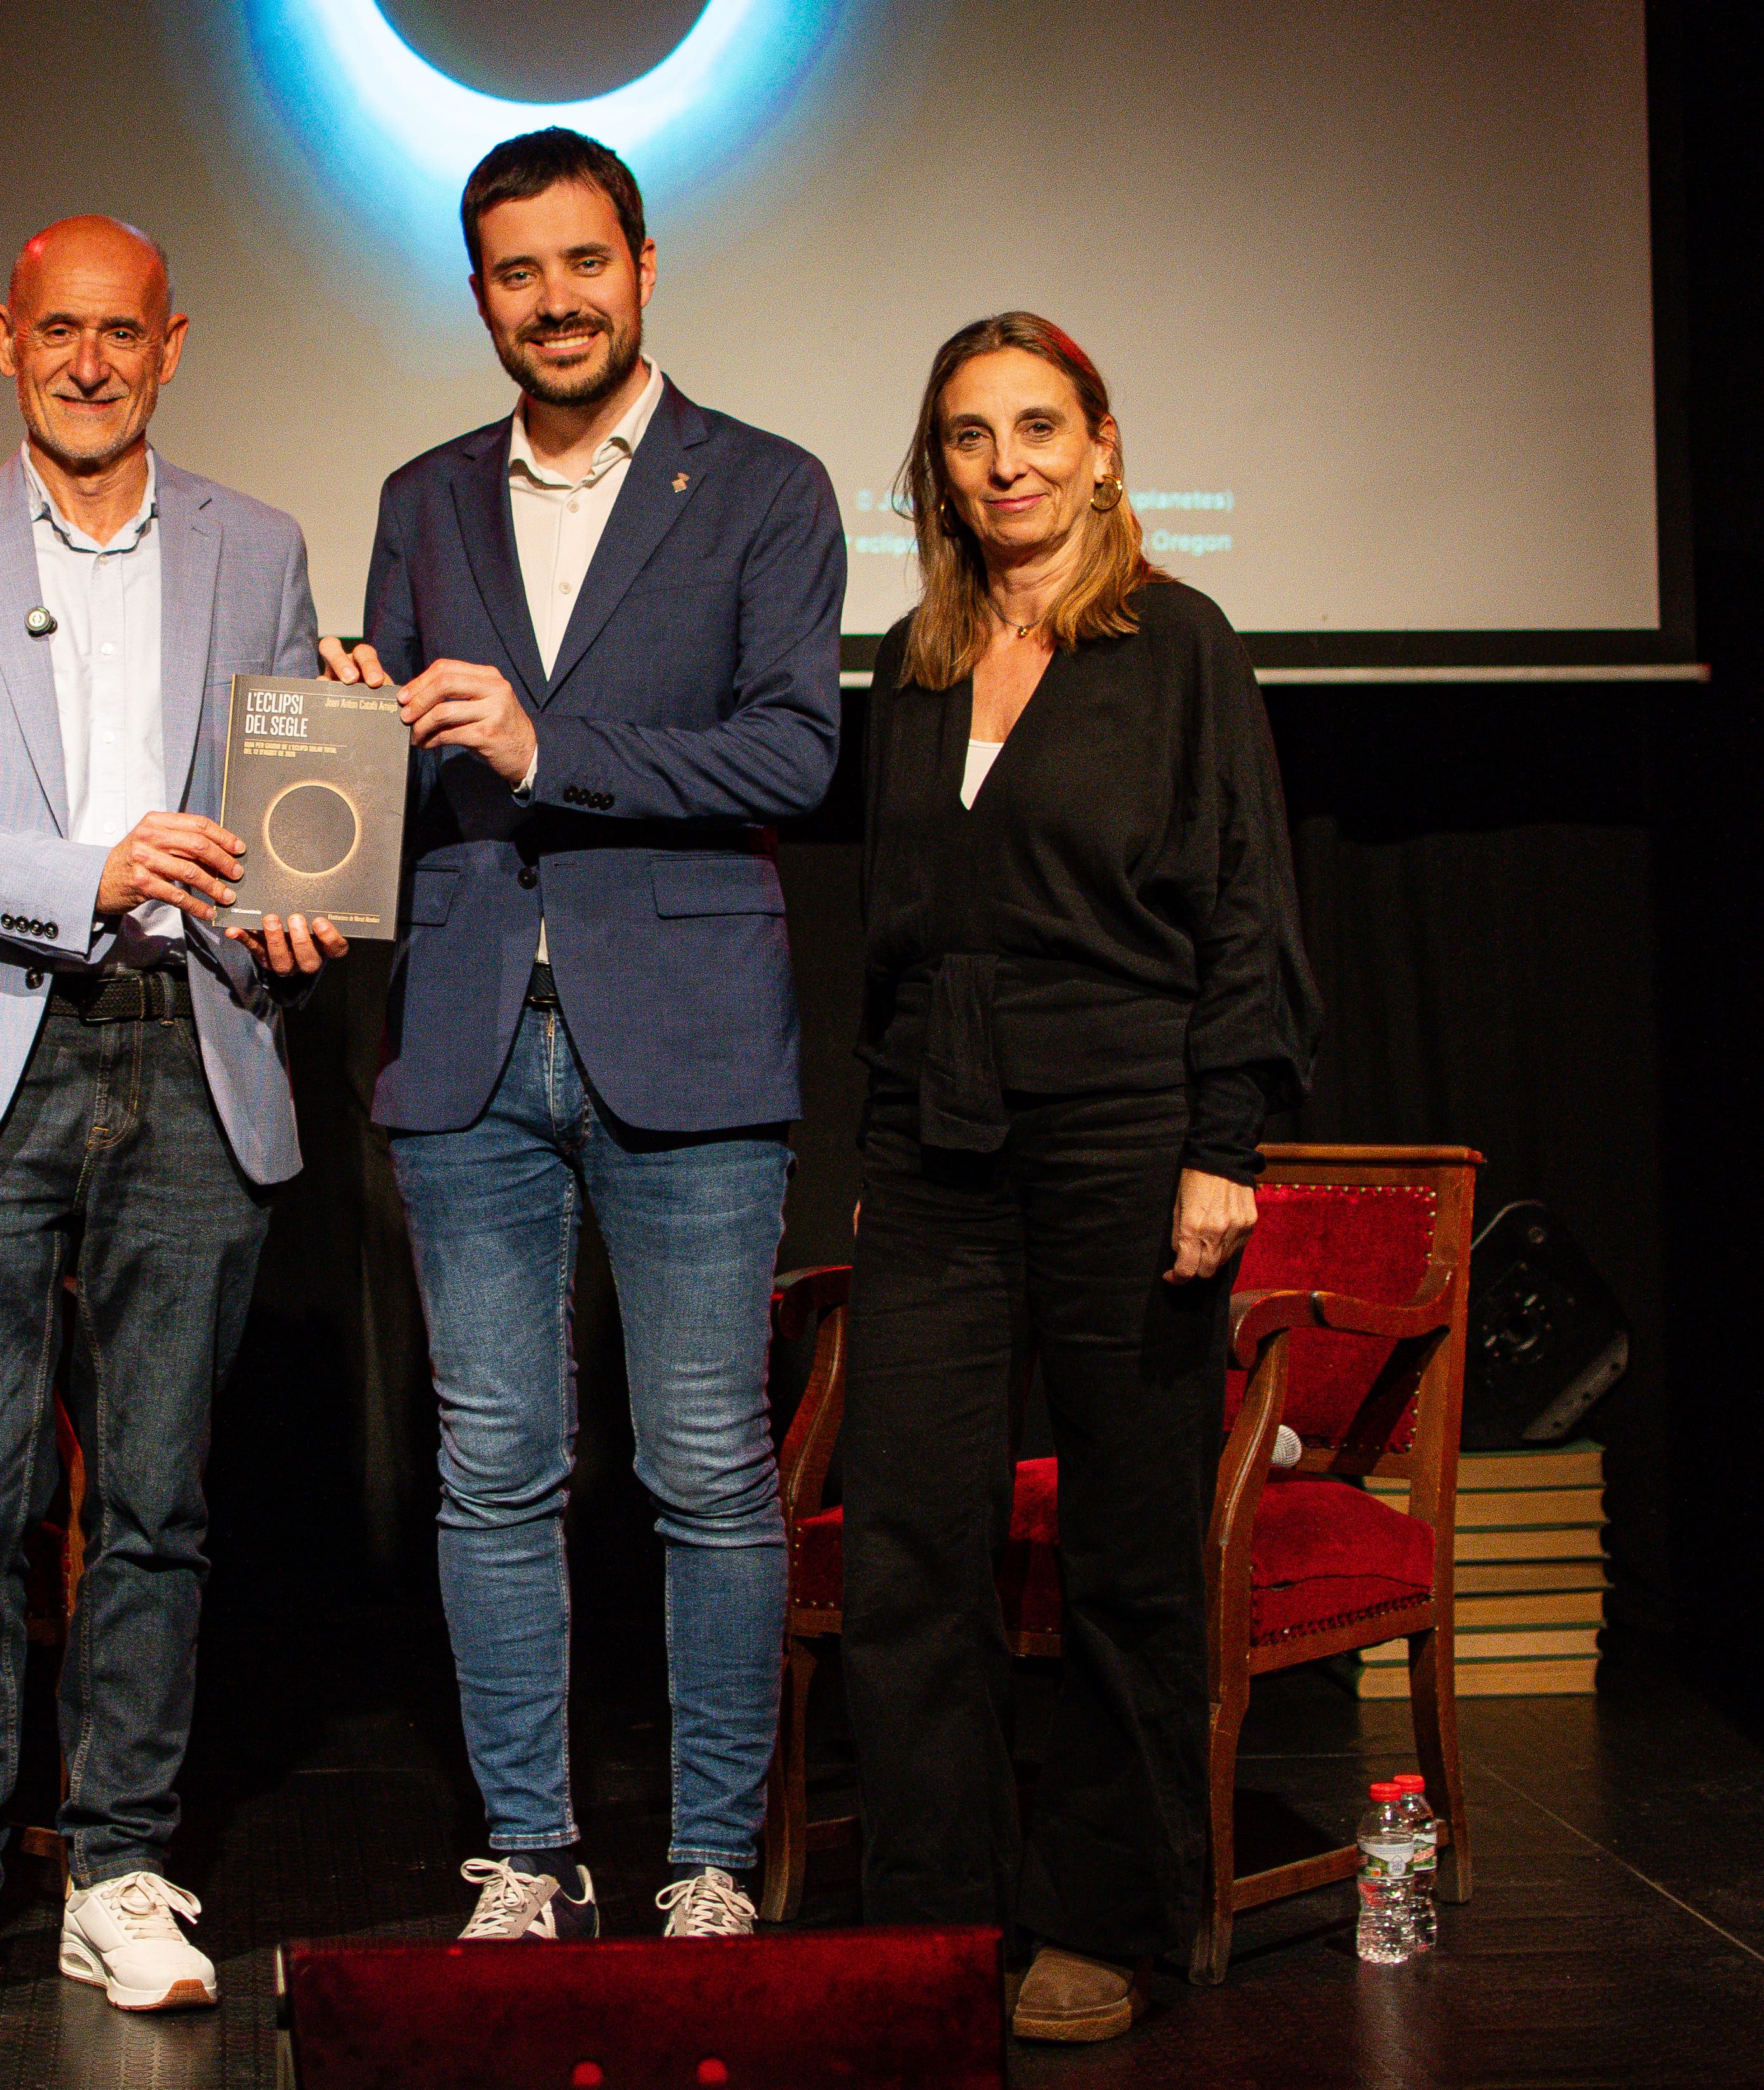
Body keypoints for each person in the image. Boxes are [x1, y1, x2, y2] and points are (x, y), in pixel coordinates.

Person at [321, 128, 847, 1944]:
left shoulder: (763, 486)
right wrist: (352, 737)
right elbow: (390, 777)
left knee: (704, 1466)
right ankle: (530, 1856)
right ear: (479, 294)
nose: (554, 300)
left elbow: (794, 751)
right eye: (516, 271)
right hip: (467, 1035)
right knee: (492, 1468)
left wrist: (549, 751)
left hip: (688, 1031)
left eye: (583, 262)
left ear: (643, 266)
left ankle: (708, 1860)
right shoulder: (424, 496)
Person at [0, 214, 345, 2022]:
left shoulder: (259, 546)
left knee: (155, 1504)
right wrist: (84, 872)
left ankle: (118, 1868)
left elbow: (295, 812)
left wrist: (297, 906)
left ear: (171, 345)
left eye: (124, 332)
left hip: (192, 1051)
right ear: (4, 336)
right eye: (60, 329)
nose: (91, 361)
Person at [836, 312, 1322, 2042]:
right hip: (936, 1140)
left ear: (1102, 447)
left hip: (1126, 1128)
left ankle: (1102, 1916)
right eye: (970, 437)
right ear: (939, 469)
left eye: (1038, 428)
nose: (1006, 465)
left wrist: (1219, 1146)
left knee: (1124, 1551)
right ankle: (931, 1921)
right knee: (908, 1549)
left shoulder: (1176, 645)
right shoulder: (914, 663)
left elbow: (1245, 905)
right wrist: (882, 1146)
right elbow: (892, 935)